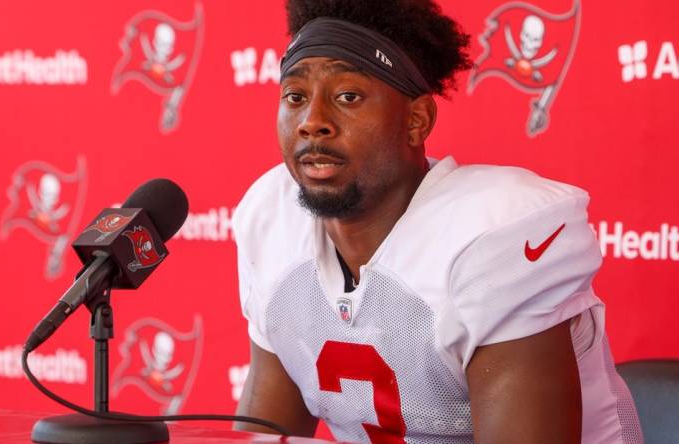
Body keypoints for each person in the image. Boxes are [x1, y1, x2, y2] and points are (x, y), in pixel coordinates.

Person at [231, 0, 643, 442]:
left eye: (347, 97)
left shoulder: (490, 238)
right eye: (295, 97)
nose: (312, 122)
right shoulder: (271, 217)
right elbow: (265, 434)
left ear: (416, 120)